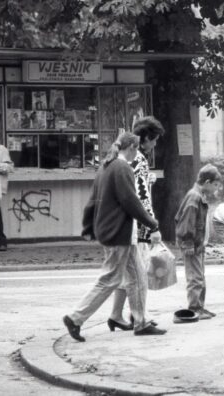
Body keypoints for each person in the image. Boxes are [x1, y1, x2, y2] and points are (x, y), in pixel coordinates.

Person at [62, 132, 166, 342]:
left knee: (137, 277)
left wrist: (88, 227)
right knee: (110, 278)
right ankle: (76, 317)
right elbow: (130, 201)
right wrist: (153, 224)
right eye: (136, 150)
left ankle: (141, 322)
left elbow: (92, 200)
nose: (136, 154)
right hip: (119, 232)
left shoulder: (105, 166)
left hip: (111, 230)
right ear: (131, 148)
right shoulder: (122, 167)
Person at [108, 117, 165, 331]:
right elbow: (141, 196)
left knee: (127, 272)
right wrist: (153, 226)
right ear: (147, 138)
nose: (155, 144)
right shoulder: (139, 159)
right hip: (138, 224)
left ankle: (119, 314)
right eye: (155, 140)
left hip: (124, 222)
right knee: (138, 273)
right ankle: (139, 317)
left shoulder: (125, 158)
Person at [175, 164, 222, 320]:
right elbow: (186, 222)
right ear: (207, 182)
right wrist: (188, 243)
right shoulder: (194, 197)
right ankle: (194, 307)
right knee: (195, 277)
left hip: (198, 244)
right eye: (216, 185)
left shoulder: (199, 195)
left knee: (199, 276)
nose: (217, 189)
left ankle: (199, 306)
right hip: (192, 245)